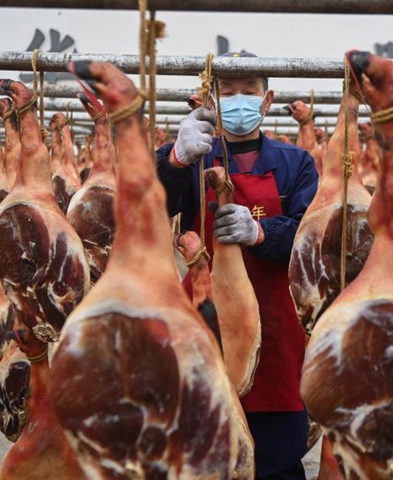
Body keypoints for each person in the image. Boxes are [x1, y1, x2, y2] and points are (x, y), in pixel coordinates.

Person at [155, 51, 319, 480]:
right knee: (204, 454)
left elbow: (311, 235)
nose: (239, 100)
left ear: (267, 101)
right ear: (210, 98)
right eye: (227, 92)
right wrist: (175, 159)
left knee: (278, 461)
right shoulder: (193, 156)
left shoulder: (295, 163)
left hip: (277, 335)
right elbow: (148, 208)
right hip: (207, 325)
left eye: (249, 91)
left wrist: (261, 233)